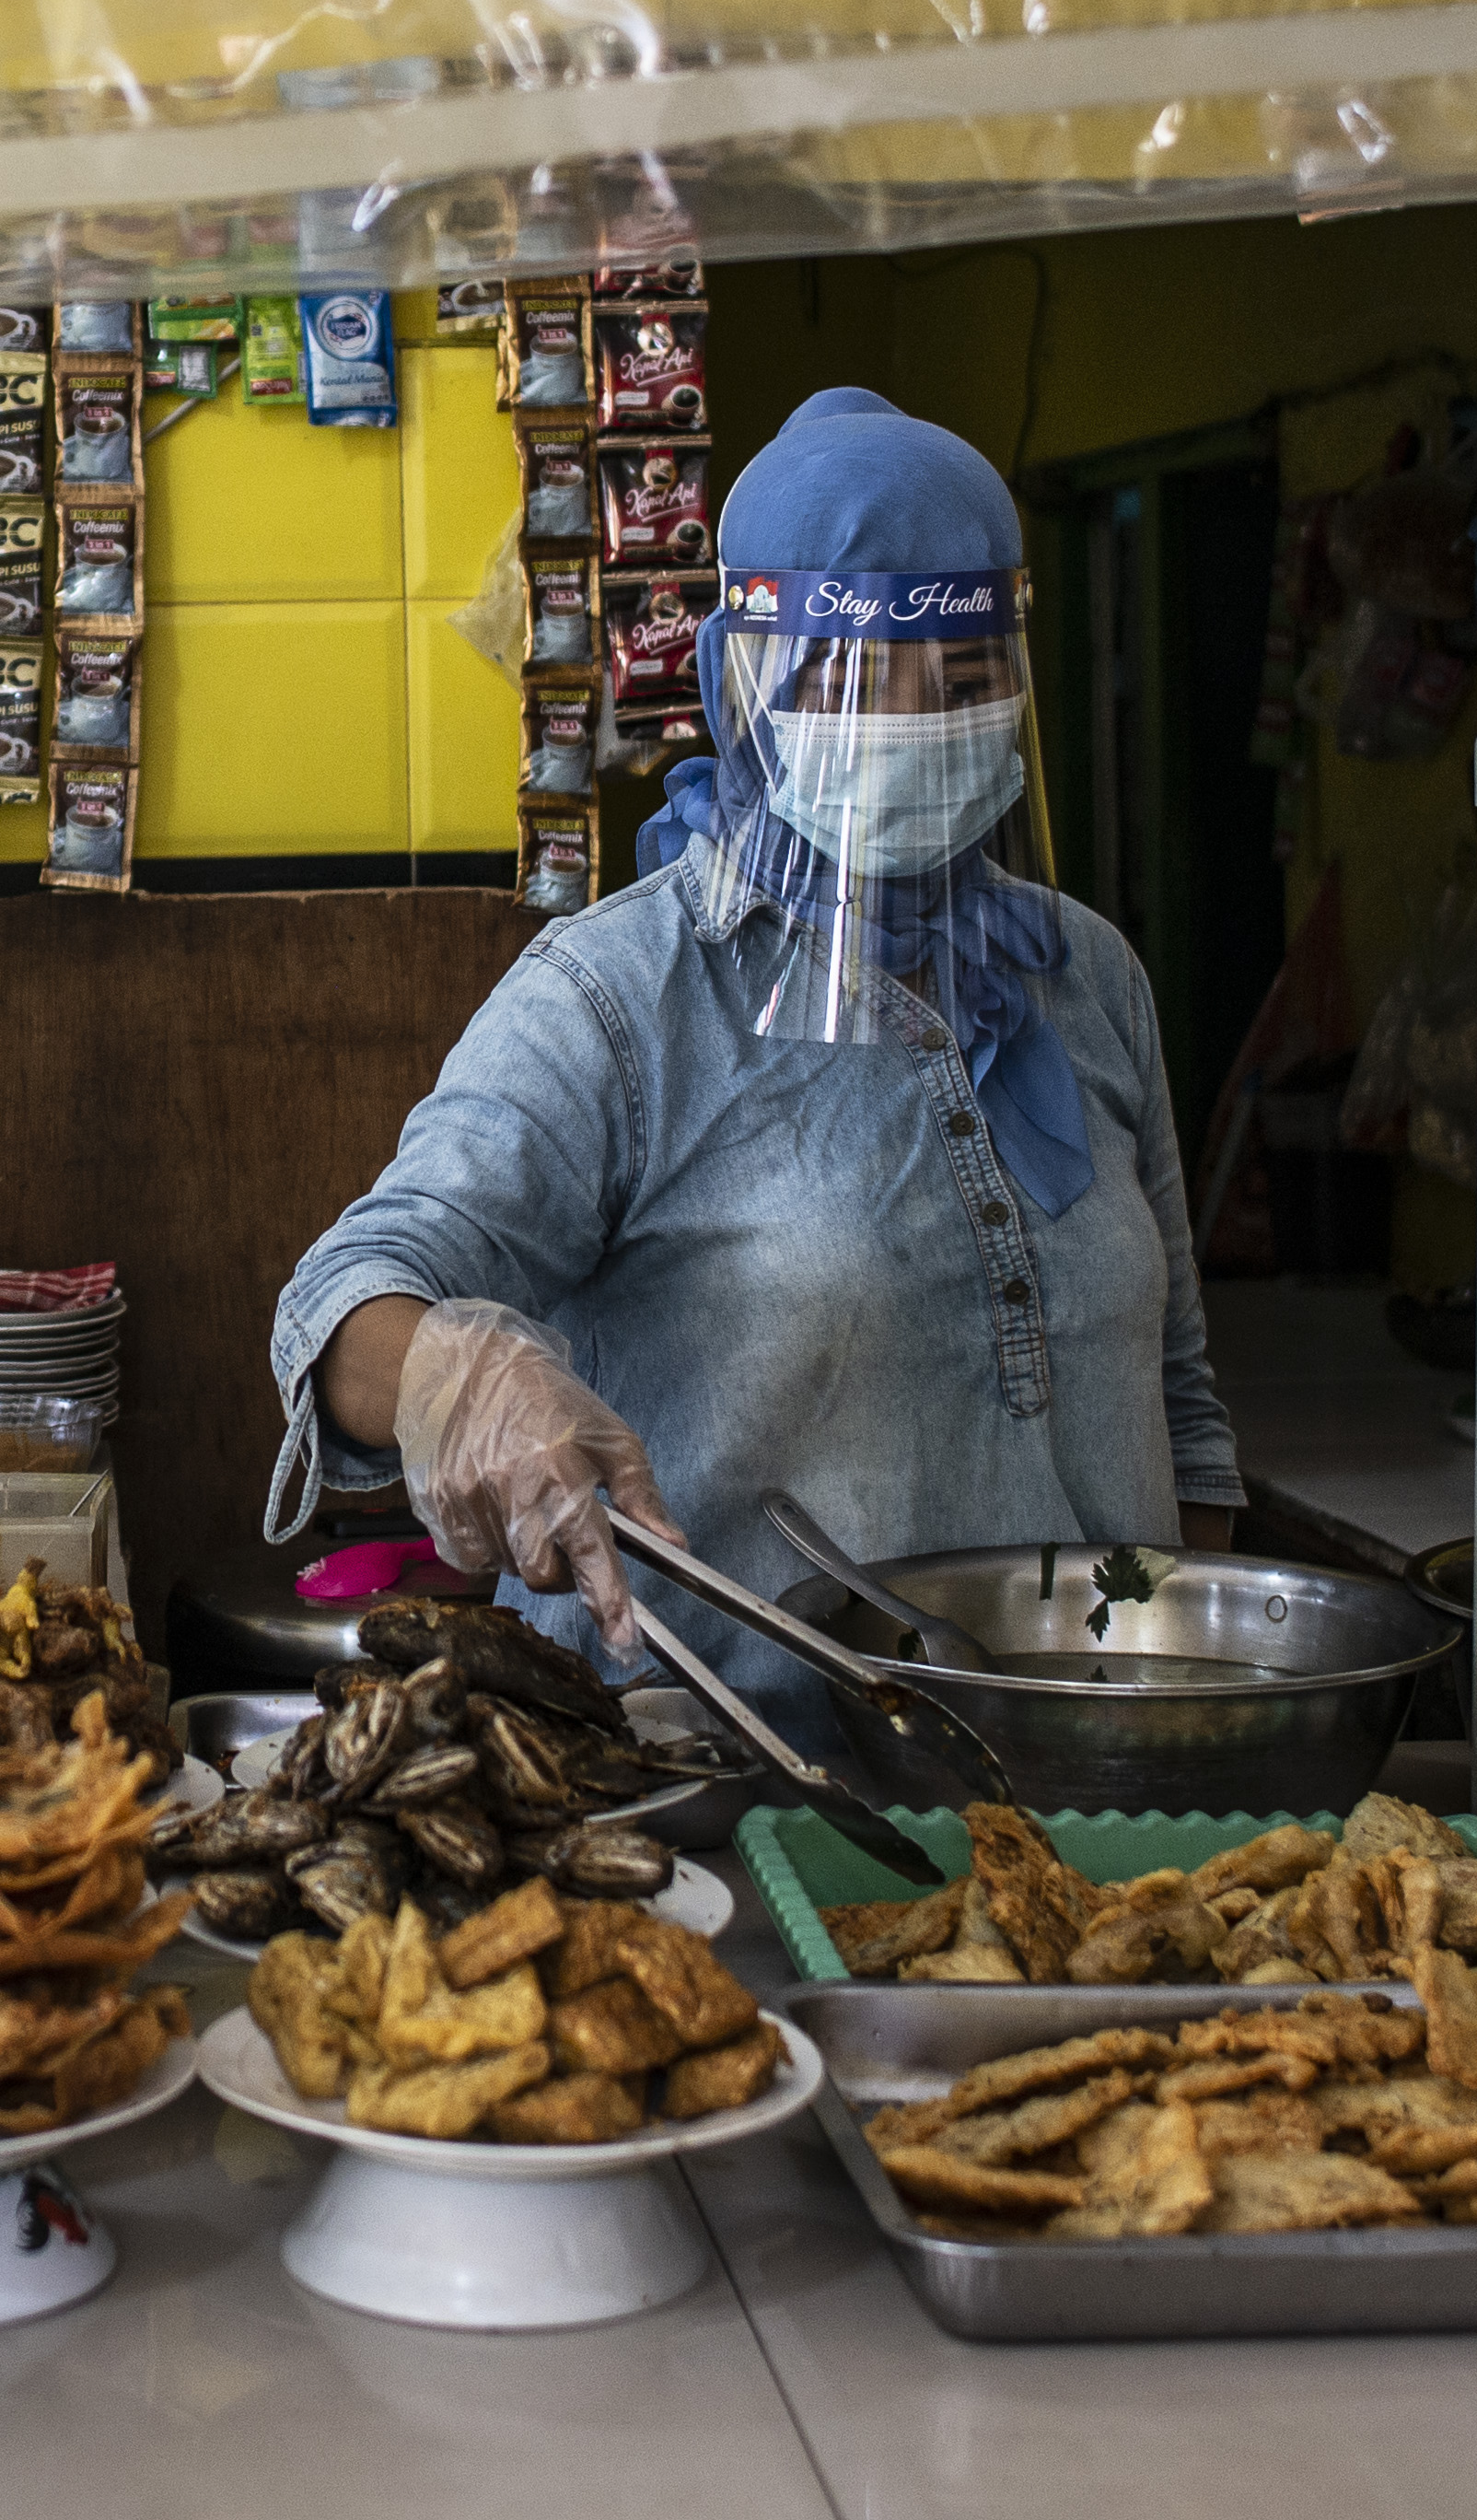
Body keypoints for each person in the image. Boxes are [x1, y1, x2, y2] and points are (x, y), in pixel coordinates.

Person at [266, 387, 1236, 1695]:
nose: (912, 720)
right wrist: (461, 1378)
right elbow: (346, 1297)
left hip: (1079, 1782)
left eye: (962, 678)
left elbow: (1180, 1404)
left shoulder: (1089, 978)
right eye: (850, 677)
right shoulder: (621, 994)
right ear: (743, 676)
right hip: (727, 1781)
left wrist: (1189, 1710)